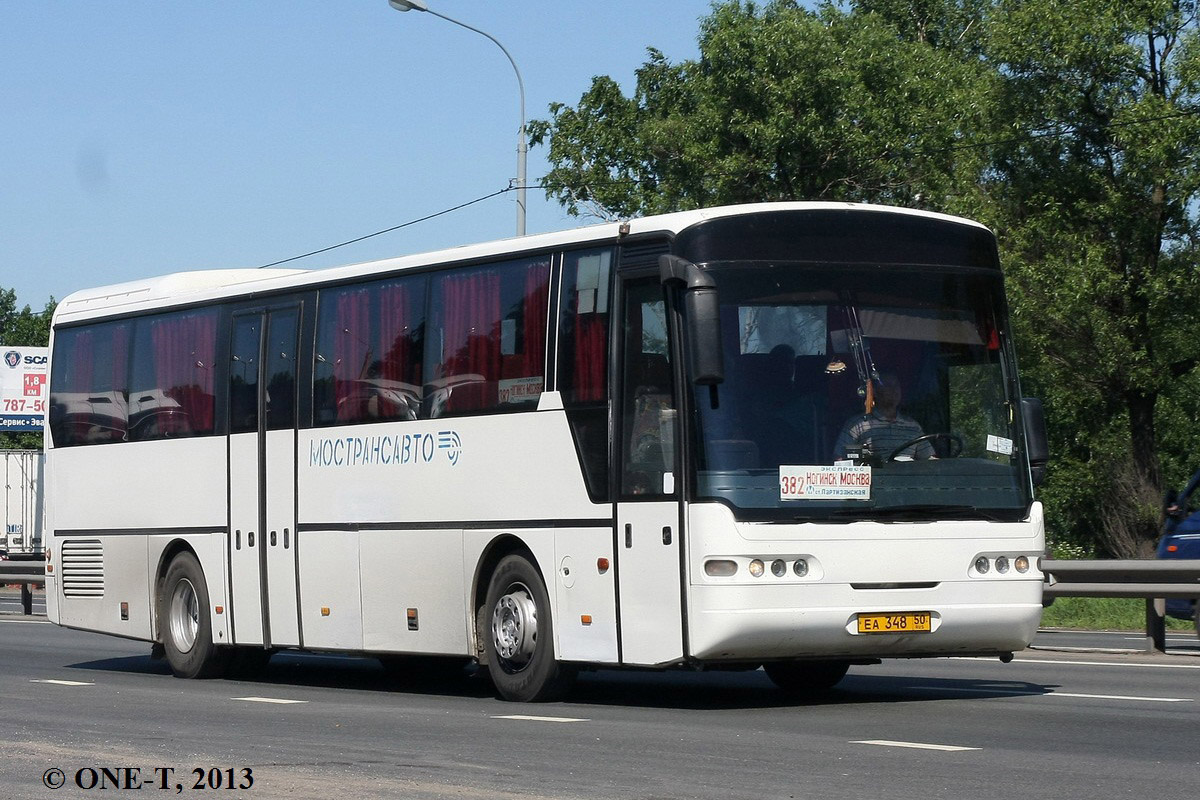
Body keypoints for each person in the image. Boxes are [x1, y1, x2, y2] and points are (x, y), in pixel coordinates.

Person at [833, 372, 933, 461]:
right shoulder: (858, 425)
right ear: (875, 392)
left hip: (908, 481)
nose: (894, 390)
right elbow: (840, 460)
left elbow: (930, 460)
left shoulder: (913, 426)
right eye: (888, 386)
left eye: (896, 386)